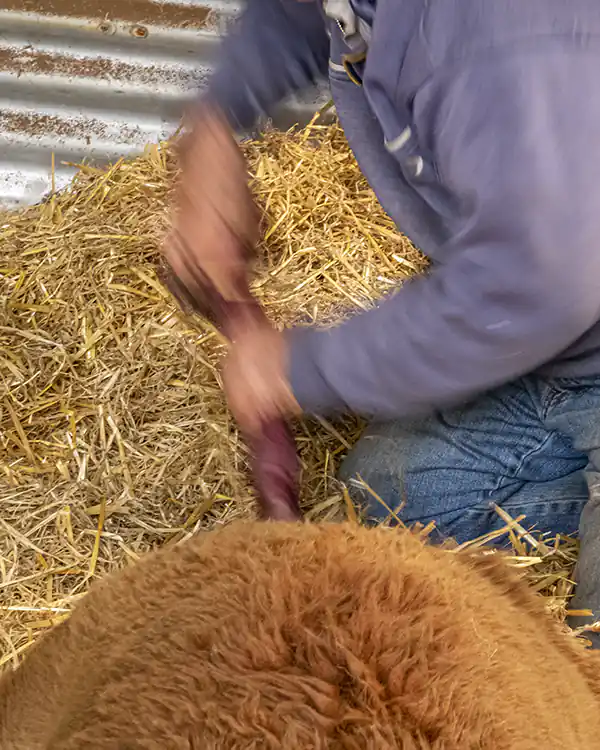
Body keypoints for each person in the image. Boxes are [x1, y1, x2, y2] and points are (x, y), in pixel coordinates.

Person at [163, 0, 600, 640]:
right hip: (564, 344)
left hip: (559, 297)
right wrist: (217, 122)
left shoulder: (498, 33)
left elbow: (546, 278)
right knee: (387, 500)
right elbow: (305, 11)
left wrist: (300, 369)